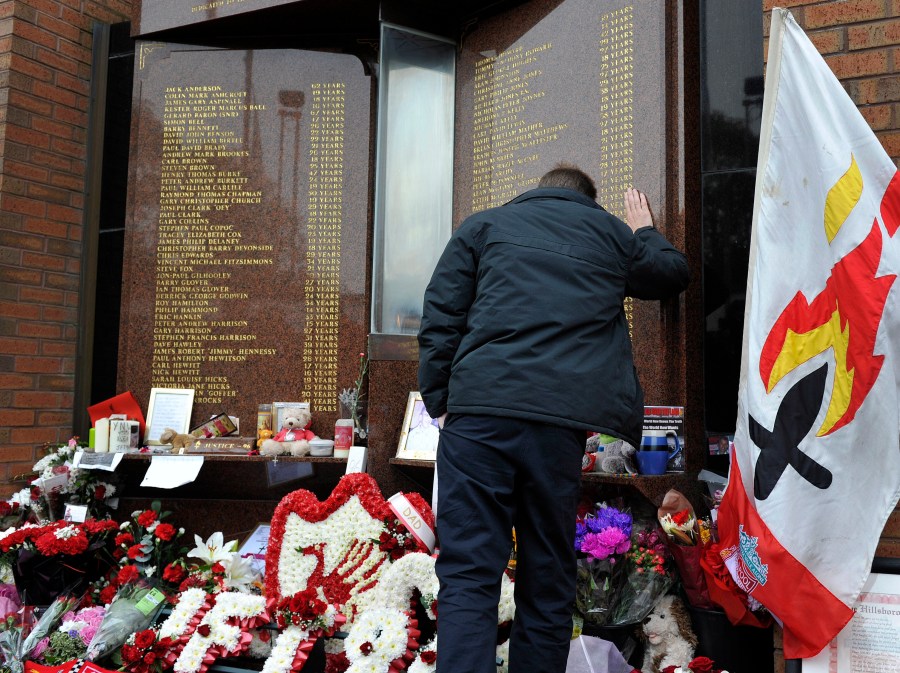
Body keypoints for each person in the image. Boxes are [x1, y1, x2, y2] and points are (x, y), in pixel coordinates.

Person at [417, 164, 689, 673]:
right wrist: (643, 230)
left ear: (536, 190)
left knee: (470, 575)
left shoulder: (483, 226)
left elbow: (441, 315)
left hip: (478, 419)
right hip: (556, 428)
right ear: (590, 200)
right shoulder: (610, 234)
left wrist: (442, 402)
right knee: (547, 576)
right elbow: (673, 272)